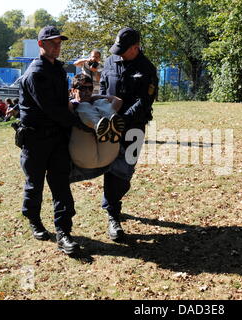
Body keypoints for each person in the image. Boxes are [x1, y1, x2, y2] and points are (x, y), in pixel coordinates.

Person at [18, 26, 94, 255]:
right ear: (41, 45)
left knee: (61, 185)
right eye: (52, 42)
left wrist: (76, 106)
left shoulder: (59, 69)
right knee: (35, 184)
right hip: (36, 139)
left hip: (58, 137)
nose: (57, 46)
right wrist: (79, 125)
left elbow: (63, 103)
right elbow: (51, 109)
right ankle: (34, 220)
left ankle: (64, 232)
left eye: (59, 42)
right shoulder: (35, 73)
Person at [100, 27, 158, 241]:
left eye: (124, 50)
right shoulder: (110, 62)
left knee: (125, 172)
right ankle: (113, 214)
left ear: (136, 47)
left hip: (134, 128)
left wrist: (123, 120)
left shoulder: (147, 68)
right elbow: (104, 89)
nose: (119, 53)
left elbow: (144, 102)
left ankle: (112, 201)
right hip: (109, 125)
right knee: (110, 168)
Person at [68, 74, 124, 169]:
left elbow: (118, 100)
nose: (87, 91)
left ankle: (112, 125)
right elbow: (66, 105)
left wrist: (97, 96)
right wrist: (74, 97)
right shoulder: (72, 104)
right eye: (82, 88)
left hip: (108, 155)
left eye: (90, 88)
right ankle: (99, 126)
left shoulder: (95, 102)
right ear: (73, 90)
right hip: (84, 155)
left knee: (101, 102)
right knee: (84, 105)